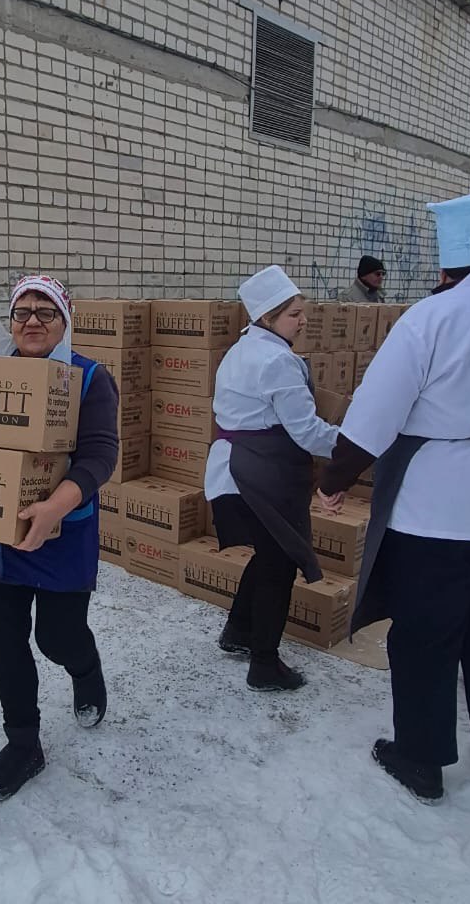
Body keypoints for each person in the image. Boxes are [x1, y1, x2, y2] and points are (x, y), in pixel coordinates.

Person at [318, 192, 470, 804]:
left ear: (445, 265)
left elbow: (374, 417)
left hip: (442, 514)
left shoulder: (430, 319)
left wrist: (333, 479)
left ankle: (421, 758)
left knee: (426, 634)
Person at [0, 275, 119, 802]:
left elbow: (99, 455)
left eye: (45, 312)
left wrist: (55, 506)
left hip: (60, 532)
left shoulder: (90, 379)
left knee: (56, 637)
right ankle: (23, 743)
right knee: (4, 643)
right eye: (21, 311)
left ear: (65, 322)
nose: (31, 321)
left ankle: (85, 667)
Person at [204, 265, 338, 691]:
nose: (303, 320)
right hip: (259, 474)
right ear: (267, 318)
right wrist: (358, 444)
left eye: (302, 312)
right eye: (294, 314)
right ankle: (264, 663)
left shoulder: (242, 350)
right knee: (279, 565)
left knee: (268, 557)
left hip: (235, 468)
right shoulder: (277, 361)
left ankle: (239, 632)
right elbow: (310, 433)